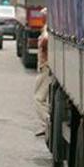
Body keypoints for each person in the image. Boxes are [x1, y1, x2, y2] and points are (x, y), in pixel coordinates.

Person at [34, 8, 50, 136]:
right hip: (44, 67)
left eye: (43, 16)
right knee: (43, 98)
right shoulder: (46, 27)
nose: (41, 18)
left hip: (46, 67)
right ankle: (46, 124)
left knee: (39, 99)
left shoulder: (48, 28)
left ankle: (47, 124)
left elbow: (46, 40)